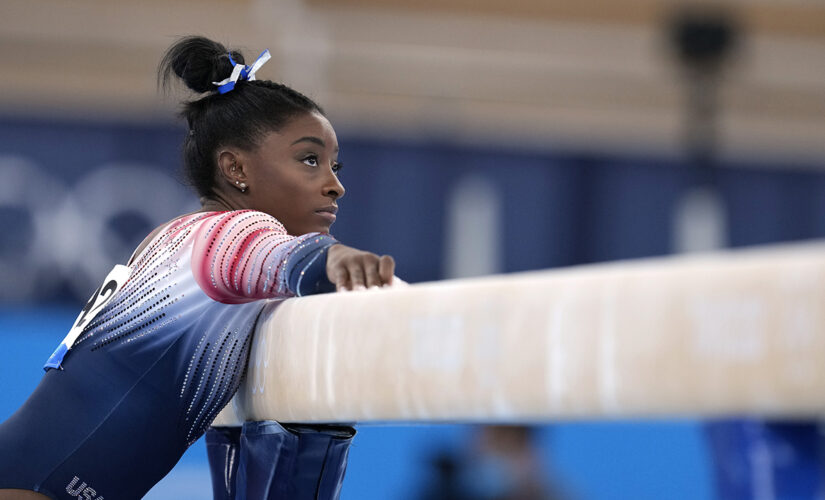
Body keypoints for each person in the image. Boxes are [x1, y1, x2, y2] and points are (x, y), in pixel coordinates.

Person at [0, 35, 395, 500]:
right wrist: (337, 259)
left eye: (335, 165)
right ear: (235, 168)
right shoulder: (229, 233)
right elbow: (284, 259)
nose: (335, 186)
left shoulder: (175, 234)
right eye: (310, 160)